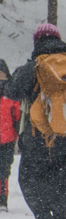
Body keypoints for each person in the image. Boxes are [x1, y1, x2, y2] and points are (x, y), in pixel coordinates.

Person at [4, 24, 66, 219]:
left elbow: (12, 91)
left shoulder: (35, 66)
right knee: (62, 180)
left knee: (29, 179)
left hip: (39, 136)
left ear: (37, 42)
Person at [0, 60, 19, 210]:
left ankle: (2, 200)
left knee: (4, 170)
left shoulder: (12, 95)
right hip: (8, 137)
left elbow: (17, 116)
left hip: (7, 139)